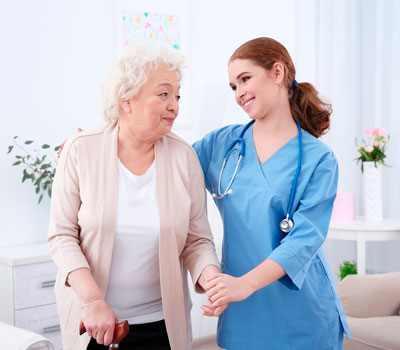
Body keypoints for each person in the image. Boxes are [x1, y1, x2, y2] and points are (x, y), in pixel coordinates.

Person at [47, 43, 222, 350]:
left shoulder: (184, 158)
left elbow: (197, 240)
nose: (174, 106)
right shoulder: (81, 149)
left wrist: (211, 278)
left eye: (177, 95)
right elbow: (62, 236)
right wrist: (91, 300)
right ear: (126, 98)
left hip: (163, 324)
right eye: (164, 94)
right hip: (94, 321)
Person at [193, 37, 351, 349]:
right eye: (233, 86)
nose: (239, 93)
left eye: (245, 79)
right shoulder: (220, 146)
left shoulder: (318, 159)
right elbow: (167, 169)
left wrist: (244, 285)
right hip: (242, 309)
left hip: (301, 314)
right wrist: (102, 142)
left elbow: (304, 240)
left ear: (277, 72)